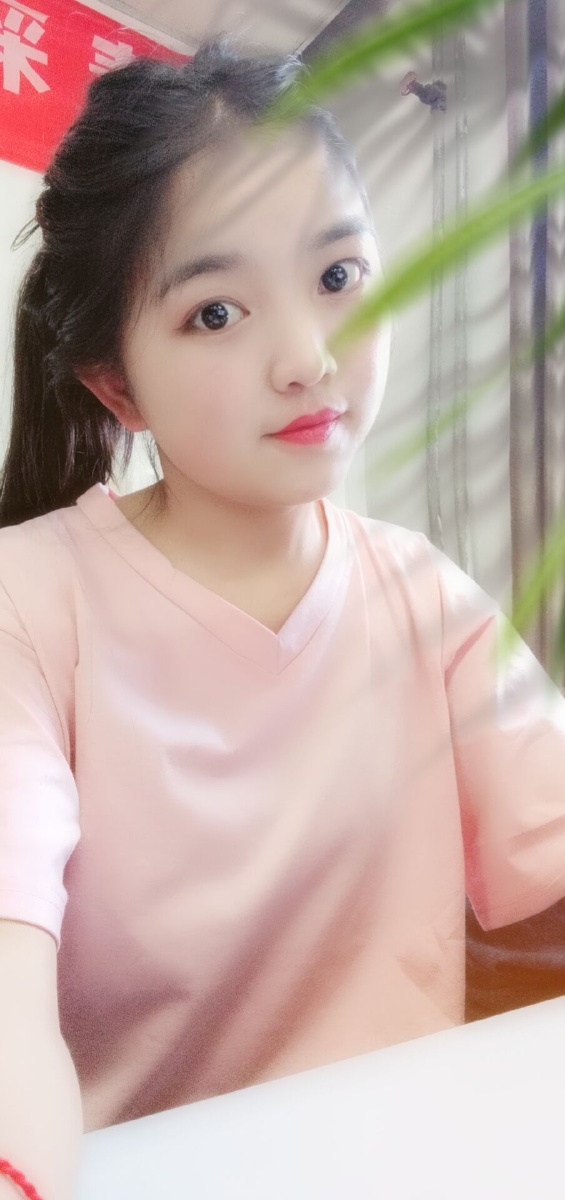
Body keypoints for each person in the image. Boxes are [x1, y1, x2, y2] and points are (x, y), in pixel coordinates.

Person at [1, 31, 565, 1200]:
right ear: (115, 384)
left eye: (338, 276)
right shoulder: (30, 605)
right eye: (216, 313)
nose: (309, 358)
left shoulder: (421, 594)